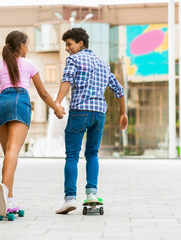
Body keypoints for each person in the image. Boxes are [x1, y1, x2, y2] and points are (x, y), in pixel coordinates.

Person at [0, 30, 58, 217]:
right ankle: (5, 189)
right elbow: (44, 93)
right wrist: (56, 108)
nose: (28, 48)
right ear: (21, 46)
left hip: (0, 106)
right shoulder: (29, 65)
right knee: (13, 150)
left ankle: (9, 200)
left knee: (8, 154)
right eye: (27, 44)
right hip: (19, 102)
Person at [54, 28, 128, 214]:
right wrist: (123, 113)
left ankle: (70, 198)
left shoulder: (74, 59)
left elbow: (67, 81)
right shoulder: (103, 63)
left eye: (69, 44)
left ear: (80, 43)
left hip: (80, 111)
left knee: (72, 155)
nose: (67, 49)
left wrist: (57, 102)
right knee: (92, 154)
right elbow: (119, 90)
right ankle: (92, 194)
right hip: (99, 114)